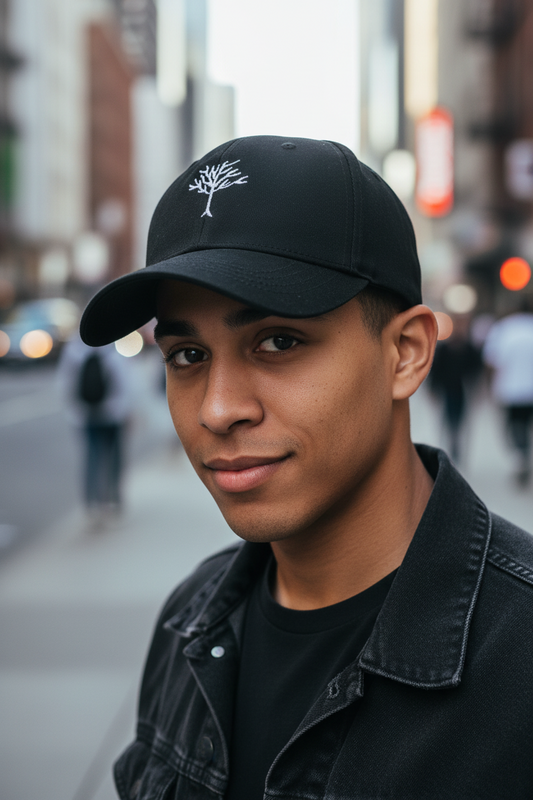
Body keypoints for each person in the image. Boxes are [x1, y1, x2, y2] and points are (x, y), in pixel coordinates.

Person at [80, 136, 533, 799]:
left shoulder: (517, 655)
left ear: (405, 353)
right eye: (186, 355)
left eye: (279, 341)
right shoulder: (190, 619)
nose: (217, 409)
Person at [57, 335, 132, 523]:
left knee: (92, 458)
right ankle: (112, 501)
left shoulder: (74, 348)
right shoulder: (114, 346)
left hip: (89, 414)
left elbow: (65, 382)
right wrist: (127, 410)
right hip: (113, 413)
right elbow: (126, 381)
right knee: (114, 459)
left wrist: (74, 413)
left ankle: (93, 505)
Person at [483, 301, 533, 485]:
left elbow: (492, 361)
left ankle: (521, 456)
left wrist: (489, 387)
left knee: (515, 427)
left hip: (511, 389)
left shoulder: (504, 329)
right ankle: (524, 455)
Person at [428, 315, 483, 462]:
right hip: (447, 389)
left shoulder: (469, 348)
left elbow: (476, 369)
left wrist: (477, 390)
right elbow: (436, 370)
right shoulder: (444, 349)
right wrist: (433, 389)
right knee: (448, 417)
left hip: (462, 389)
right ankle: (450, 442)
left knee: (460, 418)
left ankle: (456, 441)